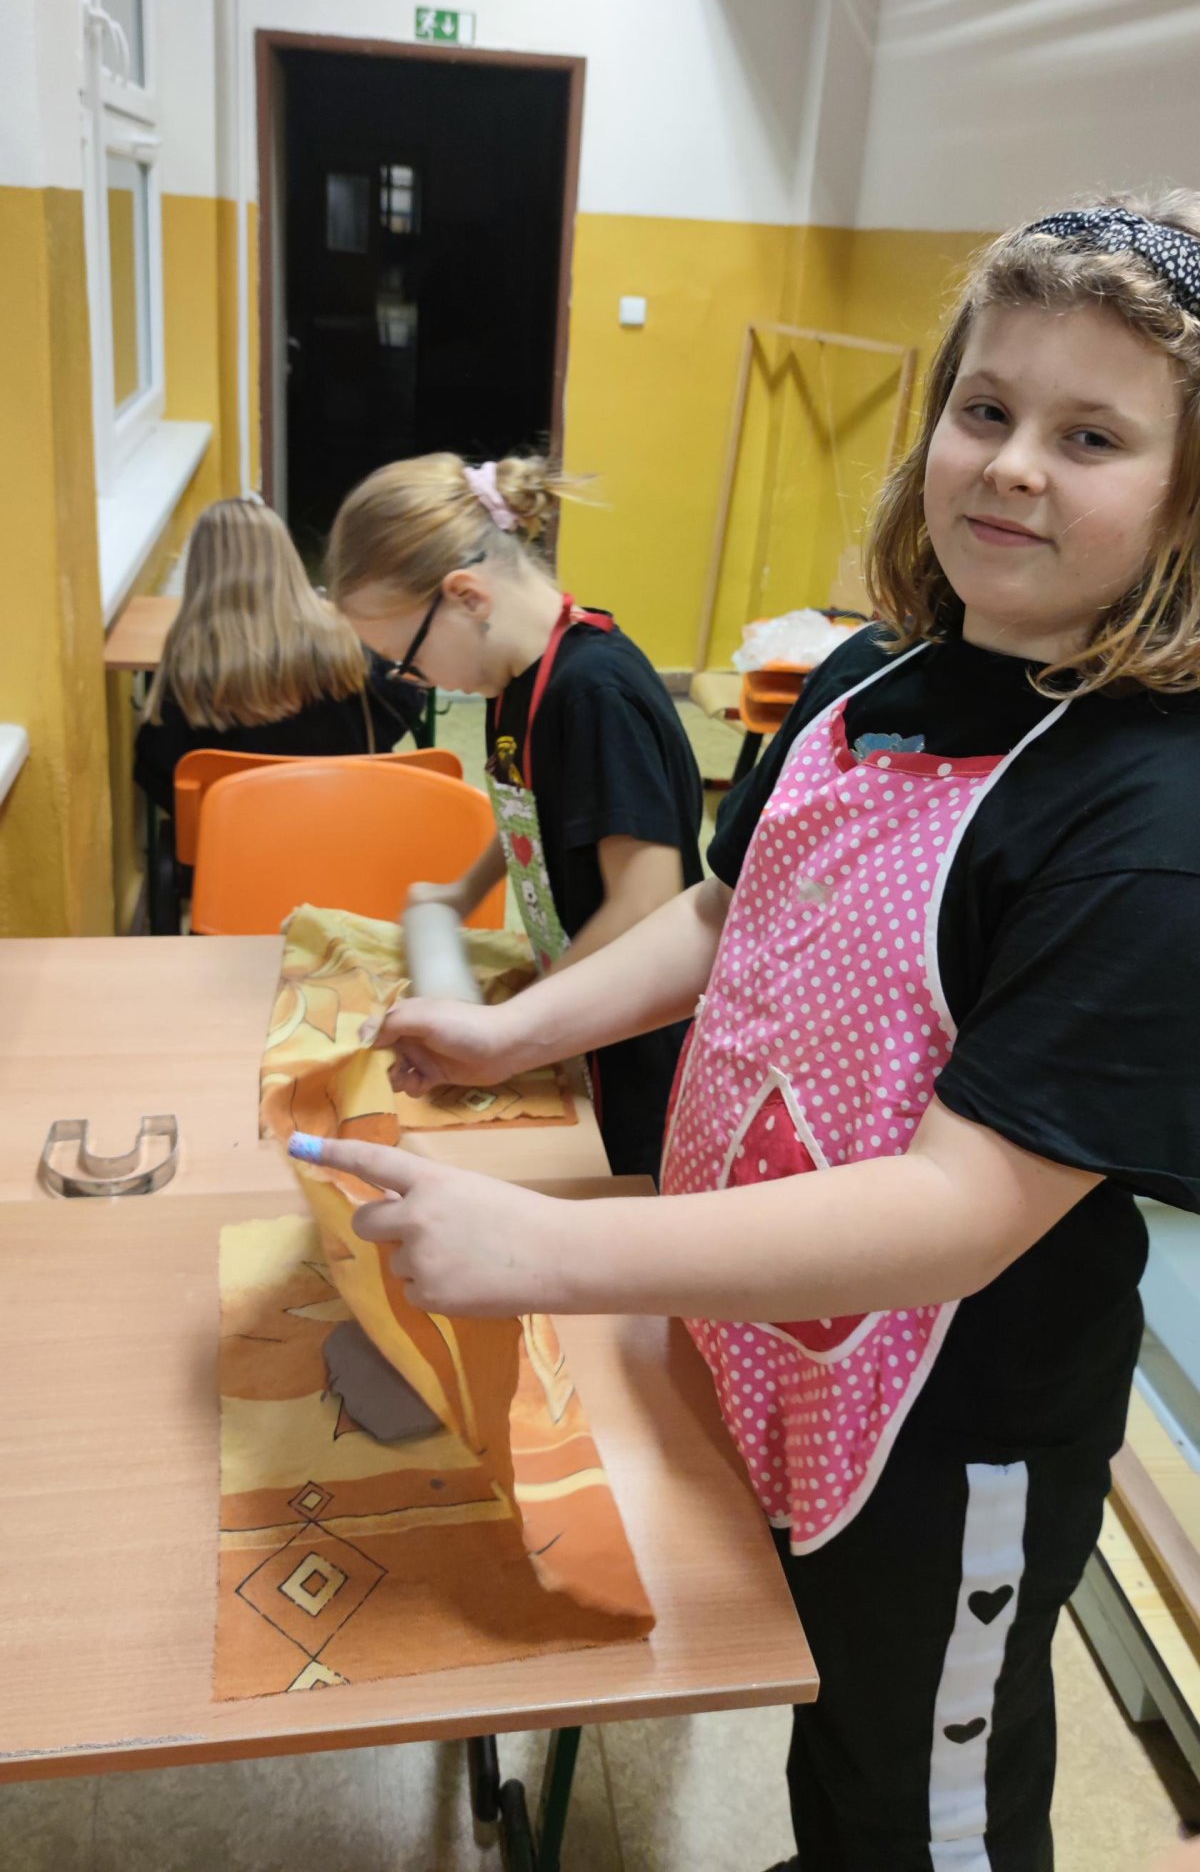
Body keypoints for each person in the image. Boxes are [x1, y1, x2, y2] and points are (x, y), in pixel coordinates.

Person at [291, 194, 1200, 1867]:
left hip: (954, 1423)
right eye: (986, 407)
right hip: (770, 1333)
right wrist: (515, 1032)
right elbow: (722, 914)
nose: (1011, 466)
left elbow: (962, 1212)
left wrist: (552, 1247)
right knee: (824, 1718)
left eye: (1092, 436)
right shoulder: (870, 674)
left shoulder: (1150, 818)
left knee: (924, 1791)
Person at [324, 451, 704, 1179]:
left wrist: (513, 1027)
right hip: (576, 1005)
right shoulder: (515, 678)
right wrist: (458, 894)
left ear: (467, 597)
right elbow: (532, 810)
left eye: (407, 659)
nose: (417, 681)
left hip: (634, 1035)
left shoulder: (593, 695)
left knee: (617, 1191)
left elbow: (647, 903)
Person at [135, 496, 425, 818]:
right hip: (348, 828)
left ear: (199, 572)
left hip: (237, 842)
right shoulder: (345, 643)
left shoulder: (191, 668)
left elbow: (159, 771)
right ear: (286, 558)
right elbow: (405, 701)